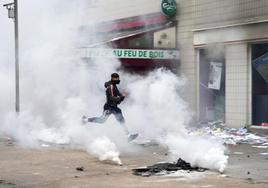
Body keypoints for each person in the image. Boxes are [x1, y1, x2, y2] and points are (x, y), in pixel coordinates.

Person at [82, 73, 138, 141]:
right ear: (113, 78)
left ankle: (128, 135)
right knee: (102, 120)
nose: (118, 80)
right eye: (116, 78)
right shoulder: (111, 86)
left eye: (118, 78)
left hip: (114, 107)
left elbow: (118, 96)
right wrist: (120, 98)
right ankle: (85, 120)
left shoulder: (114, 86)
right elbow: (111, 97)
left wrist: (122, 96)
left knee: (121, 120)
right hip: (109, 107)